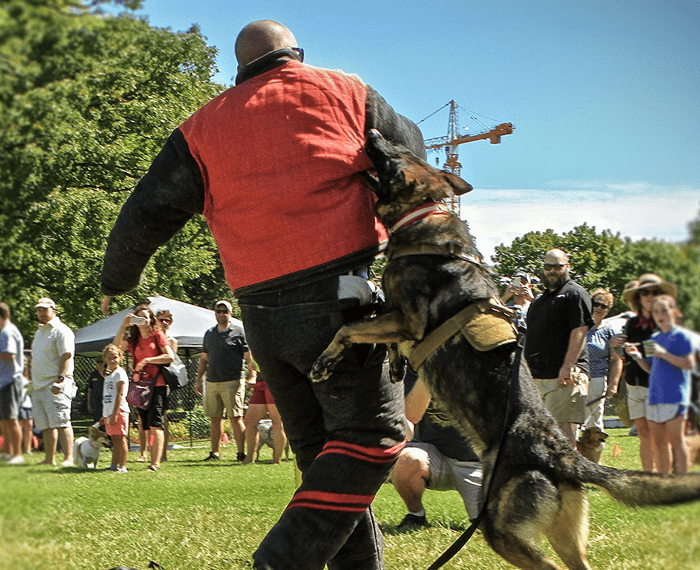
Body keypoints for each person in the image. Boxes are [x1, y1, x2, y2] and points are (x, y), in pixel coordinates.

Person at [99, 19, 423, 570]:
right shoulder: (346, 90)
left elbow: (145, 212)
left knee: (325, 459)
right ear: (296, 55)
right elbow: (410, 154)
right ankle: (279, 562)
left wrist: (118, 280)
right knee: (375, 435)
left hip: (264, 319)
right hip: (342, 303)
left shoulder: (202, 128)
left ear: (239, 70)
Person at [390, 372, 482, 531]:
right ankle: (416, 515)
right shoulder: (413, 370)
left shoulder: (480, 366)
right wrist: (430, 371)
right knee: (405, 459)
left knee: (492, 527)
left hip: (474, 463)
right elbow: (409, 419)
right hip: (433, 457)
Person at [525, 249, 594, 446]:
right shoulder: (540, 299)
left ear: (567, 266)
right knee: (540, 432)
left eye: (558, 266)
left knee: (561, 431)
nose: (552, 271)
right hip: (538, 376)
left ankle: (567, 476)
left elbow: (579, 330)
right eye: (548, 267)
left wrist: (568, 365)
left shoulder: (575, 293)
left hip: (564, 375)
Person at [625, 295, 695, 473]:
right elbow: (651, 369)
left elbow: (689, 364)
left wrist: (663, 353)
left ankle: (681, 483)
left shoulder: (681, 336)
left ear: (675, 312)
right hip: (655, 396)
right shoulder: (654, 338)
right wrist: (637, 356)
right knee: (659, 444)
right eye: (656, 311)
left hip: (675, 396)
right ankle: (664, 484)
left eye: (664, 310)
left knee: (676, 441)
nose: (659, 314)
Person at [614, 273, 677, 471]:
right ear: (638, 297)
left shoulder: (665, 323)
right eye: (644, 293)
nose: (649, 296)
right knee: (643, 433)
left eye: (654, 292)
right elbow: (621, 354)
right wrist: (616, 346)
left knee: (659, 435)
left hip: (657, 385)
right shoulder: (632, 323)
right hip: (634, 384)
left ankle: (663, 478)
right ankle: (649, 477)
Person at [114, 303, 173, 471]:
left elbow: (169, 356)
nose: (143, 320)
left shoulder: (157, 335)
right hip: (141, 386)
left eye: (146, 317)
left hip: (157, 384)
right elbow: (116, 348)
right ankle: (149, 457)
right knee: (145, 424)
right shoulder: (133, 340)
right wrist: (123, 326)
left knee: (156, 424)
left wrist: (148, 361)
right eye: (139, 317)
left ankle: (155, 463)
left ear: (151, 319)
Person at [195, 300, 255, 462]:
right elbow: (203, 359)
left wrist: (252, 375)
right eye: (218, 311)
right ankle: (214, 453)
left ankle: (241, 453)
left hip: (233, 381)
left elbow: (249, 358)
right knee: (214, 418)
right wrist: (199, 380)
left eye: (224, 311)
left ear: (230, 313)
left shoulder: (238, 332)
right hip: (212, 381)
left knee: (235, 417)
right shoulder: (209, 333)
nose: (221, 314)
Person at [31, 297, 76, 466]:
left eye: (44, 310)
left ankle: (68, 458)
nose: (41, 313)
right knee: (46, 425)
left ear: (53, 310)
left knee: (62, 422)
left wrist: (60, 379)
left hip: (56, 383)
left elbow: (66, 356)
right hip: (39, 385)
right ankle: (49, 459)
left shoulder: (61, 330)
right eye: (39, 310)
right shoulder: (40, 331)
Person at [583, 288, 624, 432]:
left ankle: (594, 453)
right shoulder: (578, 327)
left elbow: (617, 359)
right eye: (596, 304)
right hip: (575, 378)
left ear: (608, 310)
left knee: (594, 423)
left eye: (604, 306)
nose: (599, 308)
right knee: (572, 421)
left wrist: (613, 384)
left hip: (597, 380)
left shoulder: (608, 331)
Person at [241, 373, 287, 465]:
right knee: (250, 422)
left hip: (275, 381)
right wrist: (252, 376)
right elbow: (252, 365)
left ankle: (276, 459)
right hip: (259, 382)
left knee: (276, 421)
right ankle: (249, 458)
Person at [0, 302, 26, 464]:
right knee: (4, 419)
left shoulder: (7, 332)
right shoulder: (4, 331)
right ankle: (8, 452)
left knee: (11, 419)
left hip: (11, 381)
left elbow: (9, 355)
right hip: (4, 382)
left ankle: (17, 454)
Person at [101, 343, 130, 473]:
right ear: (105, 359)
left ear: (120, 357)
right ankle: (114, 465)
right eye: (109, 358)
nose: (112, 360)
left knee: (121, 438)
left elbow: (120, 394)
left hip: (118, 411)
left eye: (115, 357)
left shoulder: (120, 373)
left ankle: (122, 466)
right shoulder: (109, 375)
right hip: (109, 412)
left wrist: (115, 413)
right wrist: (105, 414)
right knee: (114, 439)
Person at [155, 309, 177, 462]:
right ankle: (147, 453)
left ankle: (163, 454)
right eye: (161, 319)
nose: (164, 323)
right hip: (148, 382)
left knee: (162, 418)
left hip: (163, 382)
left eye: (167, 321)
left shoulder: (172, 341)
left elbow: (170, 362)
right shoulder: (151, 337)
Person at [86, 356, 106, 425]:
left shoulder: (109, 374)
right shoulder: (93, 375)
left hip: (106, 401)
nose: (100, 364)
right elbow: (89, 390)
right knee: (97, 423)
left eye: (101, 362)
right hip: (96, 402)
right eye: (98, 362)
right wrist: (89, 404)